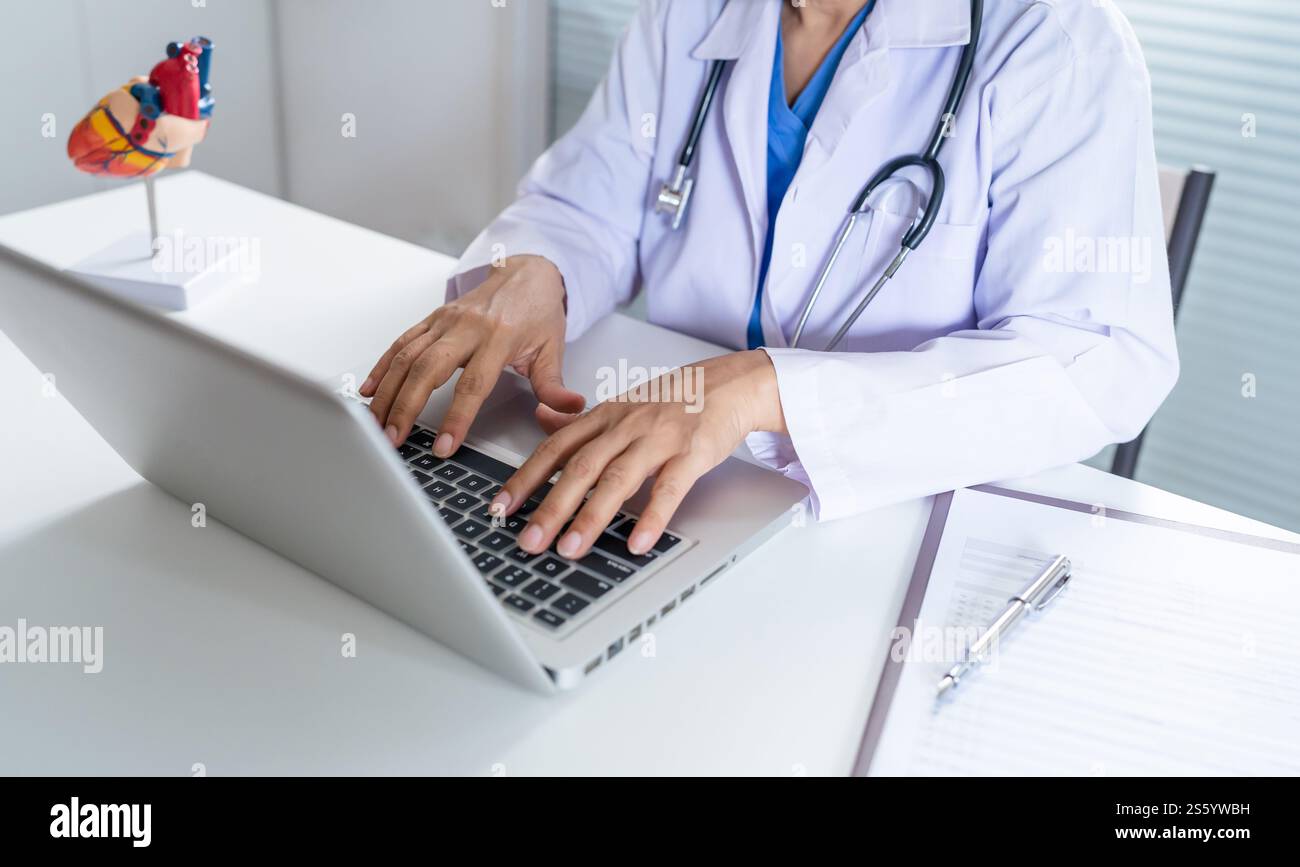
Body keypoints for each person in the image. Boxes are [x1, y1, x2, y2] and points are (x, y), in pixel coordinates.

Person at [361, 0, 1177, 564]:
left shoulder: (1058, 41)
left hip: (894, 526)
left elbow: (1096, 357)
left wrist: (764, 390)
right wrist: (534, 268)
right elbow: (591, 200)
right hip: (684, 497)